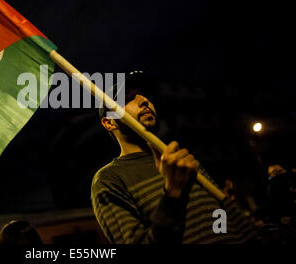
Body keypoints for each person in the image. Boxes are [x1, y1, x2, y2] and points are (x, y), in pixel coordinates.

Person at [91, 71, 258, 244]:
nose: (144, 101)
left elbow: (221, 222)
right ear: (109, 122)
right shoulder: (109, 180)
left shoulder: (180, 159)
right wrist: (173, 195)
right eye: (128, 98)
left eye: (145, 96)